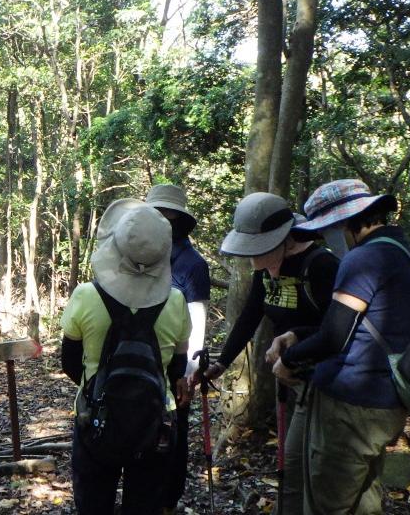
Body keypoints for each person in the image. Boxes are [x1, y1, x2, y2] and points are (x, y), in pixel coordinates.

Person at [270, 180, 410, 515]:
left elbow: (334, 337)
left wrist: (288, 360)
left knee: (328, 504)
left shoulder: (364, 258)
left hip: (350, 408)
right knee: (363, 501)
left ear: (345, 224)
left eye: (329, 230)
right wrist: (298, 334)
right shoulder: (401, 252)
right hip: (387, 403)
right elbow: (358, 324)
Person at [197, 192, 339, 515]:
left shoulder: (321, 266)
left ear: (286, 239)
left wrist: (296, 337)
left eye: (258, 248)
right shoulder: (265, 269)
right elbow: (251, 314)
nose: (253, 258)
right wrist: (222, 361)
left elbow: (340, 328)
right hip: (287, 378)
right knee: (290, 467)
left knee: (308, 466)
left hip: (324, 381)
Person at [61, 199, 192, 515]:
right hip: (155, 423)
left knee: (94, 504)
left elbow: (69, 362)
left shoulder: (85, 295)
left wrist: (105, 388)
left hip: (96, 420)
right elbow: (176, 368)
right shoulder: (175, 301)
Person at [144, 184, 210, 515]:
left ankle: (168, 502)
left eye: (164, 217)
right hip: (141, 362)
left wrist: (189, 374)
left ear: (178, 222)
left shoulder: (191, 264)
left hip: (175, 366)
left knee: (174, 435)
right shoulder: (145, 256)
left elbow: (196, 320)